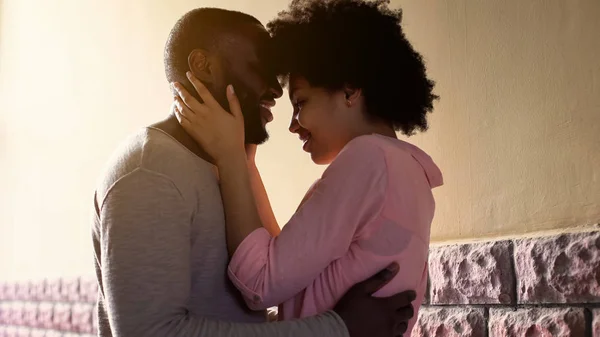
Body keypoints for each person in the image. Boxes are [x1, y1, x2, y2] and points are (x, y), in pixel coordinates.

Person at [92, 7, 416, 337]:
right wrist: (339, 327)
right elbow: (150, 333)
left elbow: (242, 321)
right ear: (204, 67)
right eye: (262, 67)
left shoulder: (224, 168)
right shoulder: (150, 171)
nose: (276, 90)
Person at [171, 0, 442, 335]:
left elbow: (261, 283)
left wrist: (229, 160)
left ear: (349, 90)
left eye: (300, 103)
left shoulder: (367, 160)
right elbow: (286, 265)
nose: (293, 125)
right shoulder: (406, 167)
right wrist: (247, 166)